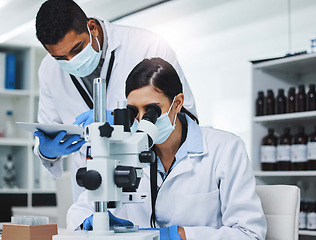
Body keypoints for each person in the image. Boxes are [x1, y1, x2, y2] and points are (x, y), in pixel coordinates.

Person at [67, 58, 267, 240]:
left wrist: (180, 235)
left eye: (152, 111)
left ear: (177, 103)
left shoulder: (225, 148)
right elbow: (80, 209)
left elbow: (249, 233)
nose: (141, 120)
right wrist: (92, 221)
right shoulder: (124, 150)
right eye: (134, 112)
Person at [33, 0, 197, 201]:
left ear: (91, 27)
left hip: (147, 179)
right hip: (91, 187)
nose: (71, 61)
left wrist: (125, 121)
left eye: (77, 49)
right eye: (60, 58)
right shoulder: (48, 70)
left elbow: (185, 114)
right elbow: (48, 127)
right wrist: (47, 151)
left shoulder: (147, 45)